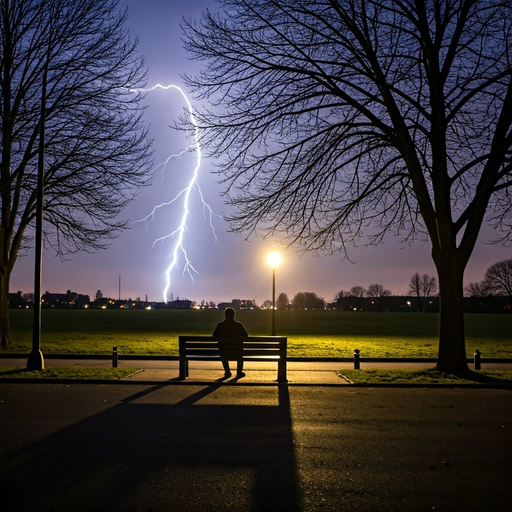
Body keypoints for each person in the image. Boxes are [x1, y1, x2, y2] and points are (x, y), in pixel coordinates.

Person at [213, 307, 248, 378]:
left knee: (222, 353)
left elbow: (214, 336)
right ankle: (239, 372)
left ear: (225, 315)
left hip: (224, 351)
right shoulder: (238, 325)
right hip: (237, 351)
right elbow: (246, 336)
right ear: (234, 315)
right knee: (240, 354)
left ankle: (227, 371)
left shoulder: (220, 325)